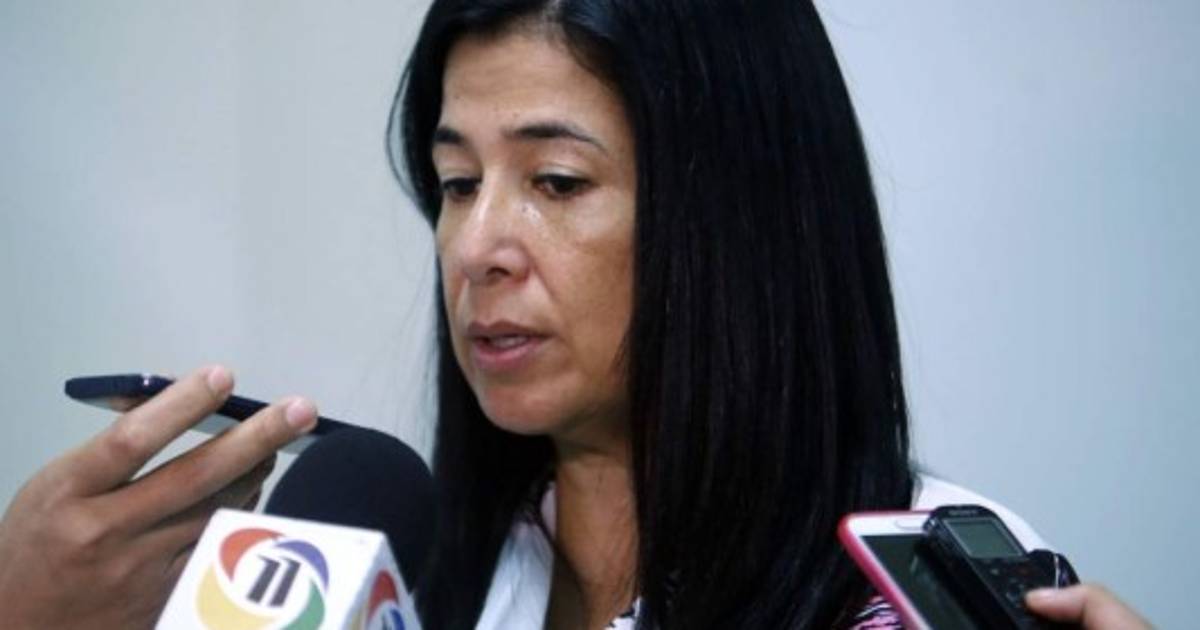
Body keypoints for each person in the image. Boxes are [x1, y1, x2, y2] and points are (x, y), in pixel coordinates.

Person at [0, 1, 1154, 629]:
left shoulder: (910, 594)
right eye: (457, 183)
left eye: (555, 182)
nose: (477, 248)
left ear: (736, 216)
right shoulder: (414, 575)